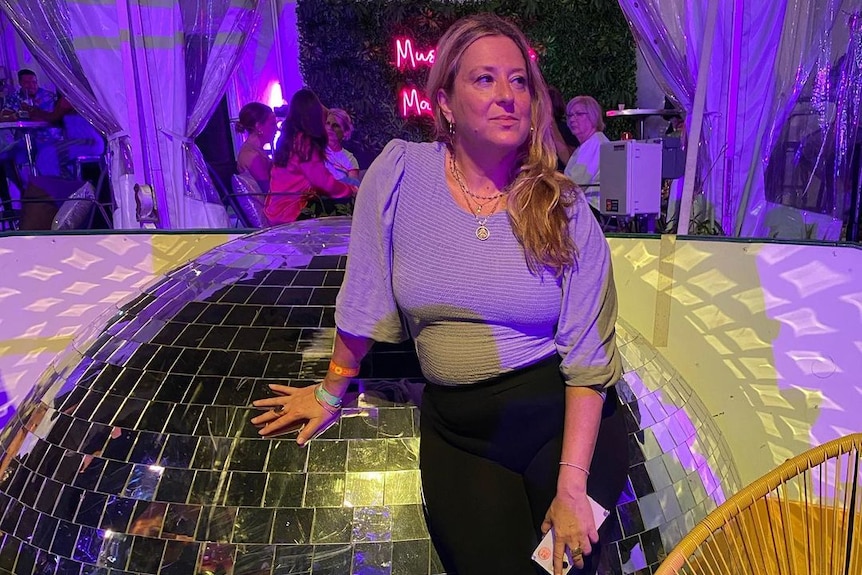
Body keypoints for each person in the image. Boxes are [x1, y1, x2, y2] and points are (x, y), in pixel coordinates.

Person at [251, 13, 628, 575]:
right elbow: (365, 297)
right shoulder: (400, 174)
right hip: (462, 435)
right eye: (484, 79)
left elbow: (587, 359)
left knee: (563, 573)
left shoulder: (564, 205)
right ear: (445, 103)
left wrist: (572, 487)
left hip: (567, 434)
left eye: (519, 80)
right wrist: (331, 394)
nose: (508, 96)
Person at [265, 88, 355, 224]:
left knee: (349, 188)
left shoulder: (288, 138)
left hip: (277, 209)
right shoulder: (304, 142)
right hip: (292, 210)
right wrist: (350, 191)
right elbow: (323, 182)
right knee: (353, 204)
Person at [564, 95, 610, 211]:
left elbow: (575, 184)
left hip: (591, 209)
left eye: (579, 114)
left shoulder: (595, 144)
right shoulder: (588, 144)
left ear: (593, 116)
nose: (572, 119)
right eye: (570, 115)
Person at [235, 102, 278, 193]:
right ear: (259, 127)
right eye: (272, 124)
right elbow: (268, 192)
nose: (276, 129)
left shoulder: (256, 151)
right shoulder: (252, 155)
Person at [324, 108, 360, 184]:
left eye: (335, 125)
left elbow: (354, 188)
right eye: (327, 123)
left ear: (345, 131)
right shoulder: (316, 149)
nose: (330, 128)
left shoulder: (350, 160)